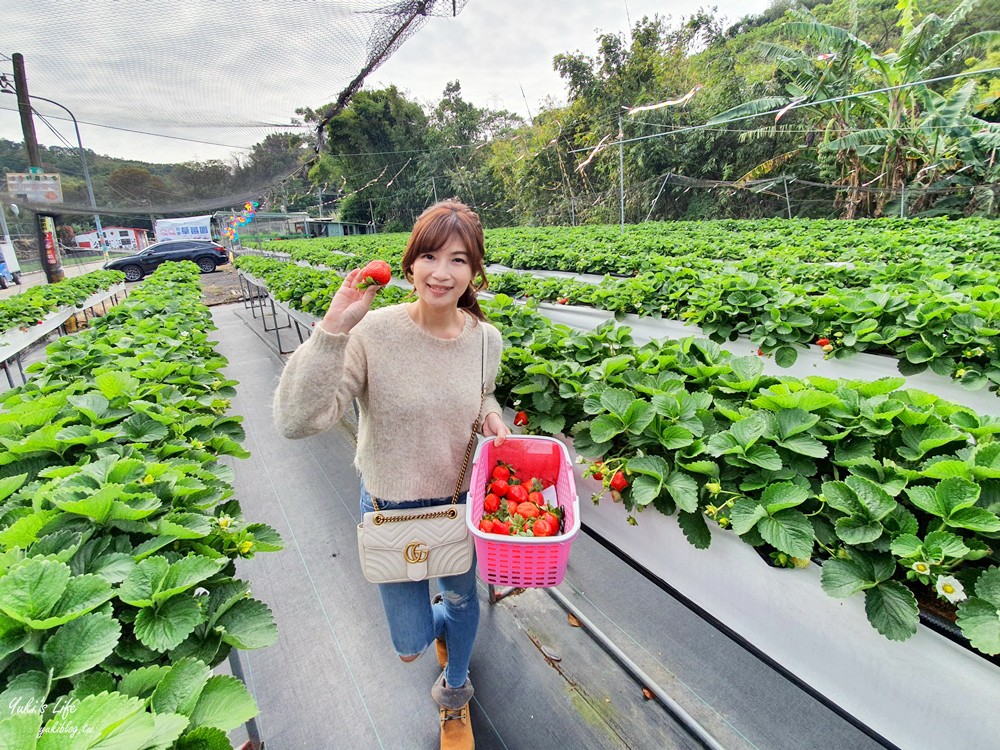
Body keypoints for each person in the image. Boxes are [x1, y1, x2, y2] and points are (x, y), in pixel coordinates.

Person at [273, 199, 509, 750]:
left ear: (475, 270)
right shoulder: (372, 333)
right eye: (429, 255)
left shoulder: (485, 339)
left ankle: (455, 690)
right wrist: (333, 328)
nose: (442, 272)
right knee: (410, 643)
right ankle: (437, 636)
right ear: (409, 266)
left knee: (460, 599)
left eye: (458, 258)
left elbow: (481, 390)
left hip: (456, 507)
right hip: (391, 509)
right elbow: (296, 421)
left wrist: (492, 414)